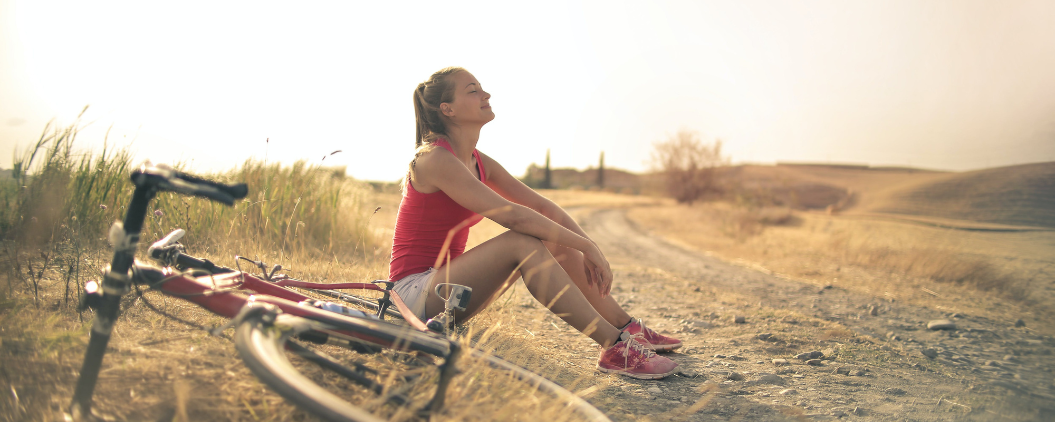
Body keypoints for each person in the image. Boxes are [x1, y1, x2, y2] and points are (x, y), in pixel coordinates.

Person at [389, 66, 682, 379]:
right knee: (522, 241)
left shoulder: (478, 160)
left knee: (555, 238)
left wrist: (587, 247)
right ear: (447, 109)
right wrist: (585, 245)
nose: (485, 94)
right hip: (413, 296)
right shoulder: (433, 159)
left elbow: (541, 206)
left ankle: (627, 328)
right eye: (473, 90)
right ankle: (613, 346)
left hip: (450, 293)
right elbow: (512, 214)